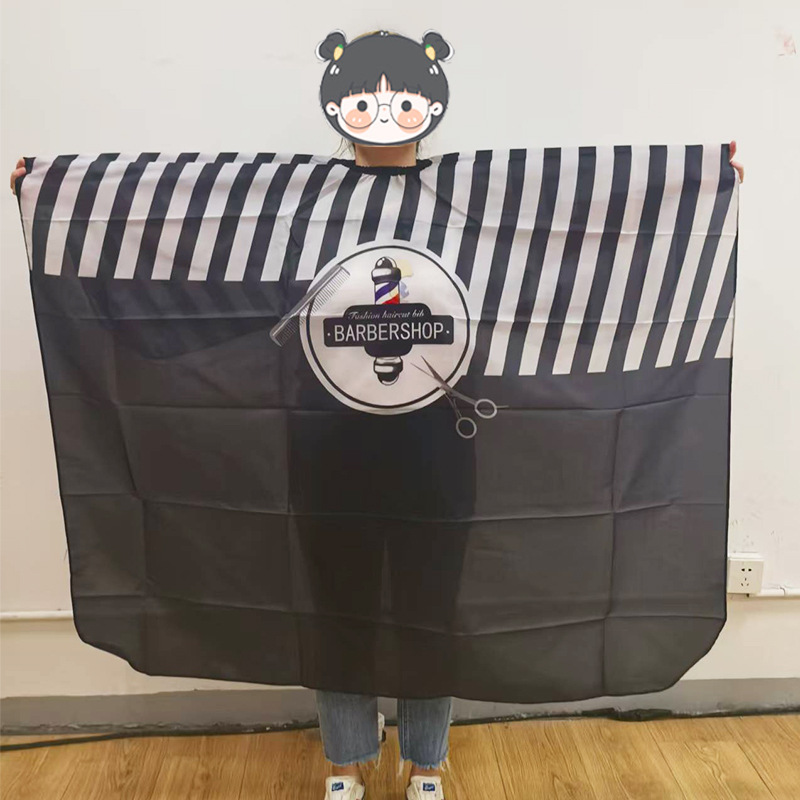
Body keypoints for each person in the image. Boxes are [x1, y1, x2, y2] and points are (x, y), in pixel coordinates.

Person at [8, 72, 745, 800]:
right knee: (335, 607)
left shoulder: (473, 208)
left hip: (439, 451)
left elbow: (586, 230)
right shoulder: (295, 209)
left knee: (432, 607)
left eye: (403, 96)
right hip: (327, 449)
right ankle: (346, 761)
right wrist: (48, 195)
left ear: (430, 106)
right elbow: (172, 221)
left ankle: (426, 765)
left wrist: (704, 186)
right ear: (340, 107)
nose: (385, 110)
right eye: (366, 97)